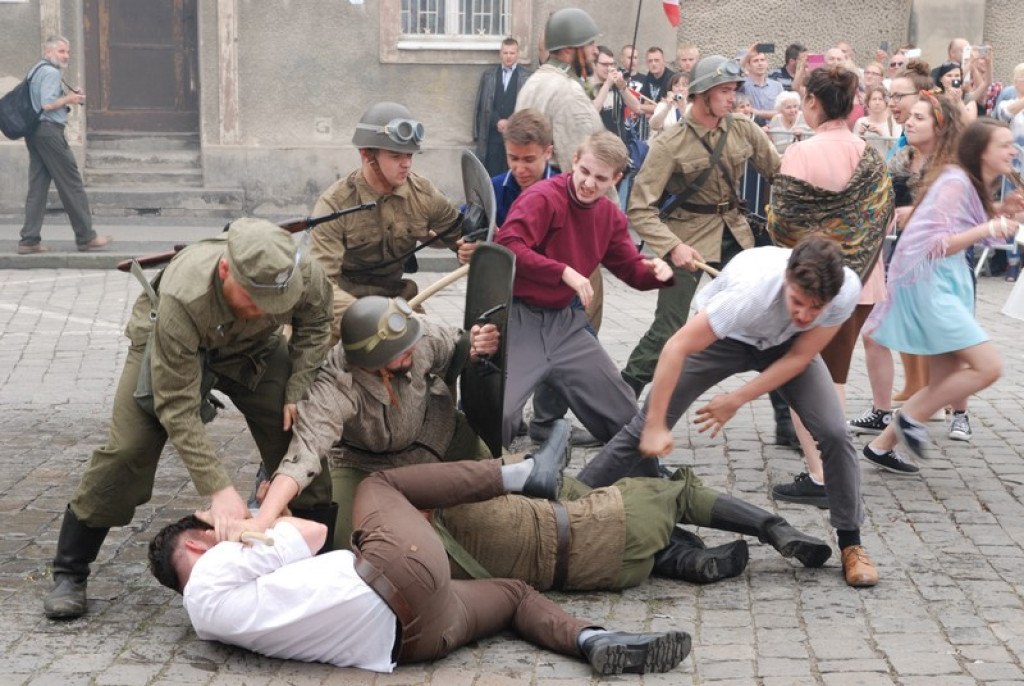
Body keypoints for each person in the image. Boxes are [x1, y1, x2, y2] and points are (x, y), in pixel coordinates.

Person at [149, 458, 692, 675]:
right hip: (391, 572)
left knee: (514, 594)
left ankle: (594, 641)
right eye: (218, 520)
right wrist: (252, 524)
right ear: (197, 544)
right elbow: (312, 534)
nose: (237, 518)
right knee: (378, 484)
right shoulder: (216, 565)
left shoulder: (210, 620)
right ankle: (524, 474)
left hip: (414, 642)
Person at [42, 219, 335, 620]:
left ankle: (321, 556)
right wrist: (218, 488)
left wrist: (298, 386)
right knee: (130, 447)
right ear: (225, 270)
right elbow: (176, 403)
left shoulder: (301, 272)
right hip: (169, 343)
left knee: (298, 432)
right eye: (252, 298)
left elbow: (317, 321)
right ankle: (70, 570)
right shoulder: (186, 293)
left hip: (254, 350)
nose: (262, 310)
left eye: (273, 302)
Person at [577, 237, 880, 588]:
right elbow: (675, 348)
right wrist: (658, 425)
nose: (805, 315)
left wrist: (736, 398)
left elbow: (798, 358)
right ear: (786, 279)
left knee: (835, 432)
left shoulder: (844, 290)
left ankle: (851, 543)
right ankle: (567, 502)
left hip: (786, 348)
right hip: (727, 338)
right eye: (798, 301)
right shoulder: (749, 295)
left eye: (817, 309)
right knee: (642, 428)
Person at [251, 294, 503, 549]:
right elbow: (305, 451)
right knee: (348, 544)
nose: (413, 349)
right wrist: (263, 518)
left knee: (496, 493)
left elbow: (456, 345)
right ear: (373, 360)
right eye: (402, 350)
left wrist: (477, 343)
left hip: (438, 436)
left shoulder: (415, 336)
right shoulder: (335, 386)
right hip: (365, 463)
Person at [620, 55, 783, 440]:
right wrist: (672, 246)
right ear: (701, 94)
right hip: (687, 240)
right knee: (670, 328)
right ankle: (620, 401)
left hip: (737, 237)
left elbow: (781, 173)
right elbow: (640, 208)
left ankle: (789, 419)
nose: (733, 99)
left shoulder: (743, 129)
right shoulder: (670, 142)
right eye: (725, 92)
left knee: (769, 324)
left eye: (734, 91)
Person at [495, 130, 674, 448]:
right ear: (574, 161)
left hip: (566, 325)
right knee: (497, 420)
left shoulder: (609, 216)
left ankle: (639, 478)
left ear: (616, 179)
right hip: (521, 317)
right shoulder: (543, 197)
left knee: (627, 421)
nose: (590, 183)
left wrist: (657, 272)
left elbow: (629, 267)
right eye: (585, 172)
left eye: (601, 178)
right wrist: (562, 271)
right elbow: (507, 245)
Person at [765, 66, 894, 504]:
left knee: (804, 373)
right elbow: (883, 217)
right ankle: (835, 472)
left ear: (813, 102)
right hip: (862, 279)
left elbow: (782, 221)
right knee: (836, 375)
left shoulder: (801, 152)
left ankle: (823, 475)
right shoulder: (871, 155)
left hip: (816, 282)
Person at [863, 119, 1023, 471]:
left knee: (944, 382)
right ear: (981, 151)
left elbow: (965, 229)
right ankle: (908, 420)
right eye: (1004, 144)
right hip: (931, 287)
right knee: (988, 366)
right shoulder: (955, 180)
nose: (1012, 150)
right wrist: (990, 225)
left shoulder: (972, 182)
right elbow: (936, 243)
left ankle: (881, 446)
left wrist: (1002, 213)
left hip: (949, 284)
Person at [435, 466, 833, 590]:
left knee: (583, 500)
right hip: (614, 527)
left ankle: (681, 558)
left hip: (604, 575)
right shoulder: (450, 488)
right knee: (673, 492)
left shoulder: (431, 563)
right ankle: (774, 528)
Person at [310, 101, 475, 343]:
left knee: (440, 355)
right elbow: (321, 288)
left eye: (409, 155)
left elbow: (462, 235)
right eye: (396, 156)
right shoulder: (335, 205)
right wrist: (371, 321)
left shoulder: (423, 195)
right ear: (367, 155)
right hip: (345, 308)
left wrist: (472, 247)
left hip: (400, 303)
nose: (406, 163)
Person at [515, 7, 608, 331]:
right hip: (569, 227)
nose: (595, 50)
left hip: (538, 217)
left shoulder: (534, 82)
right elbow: (587, 170)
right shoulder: (568, 92)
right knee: (583, 319)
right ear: (570, 50)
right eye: (589, 44)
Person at [18, 35, 112, 255]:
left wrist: (67, 96)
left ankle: (29, 240)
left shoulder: (37, 69)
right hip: (50, 132)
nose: (66, 56)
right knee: (72, 184)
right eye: (61, 51)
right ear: (48, 51)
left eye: (67, 52)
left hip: (35, 132)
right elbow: (47, 104)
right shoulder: (51, 72)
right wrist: (70, 99)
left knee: (38, 188)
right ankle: (86, 237)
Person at [473, 37, 531, 176]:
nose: (508, 56)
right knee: (492, 176)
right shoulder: (489, 76)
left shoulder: (526, 78)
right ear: (500, 53)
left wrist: (510, 122)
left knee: (512, 175)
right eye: (505, 53)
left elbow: (527, 106)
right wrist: (497, 121)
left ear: (517, 54)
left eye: (512, 53)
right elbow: (482, 105)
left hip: (515, 137)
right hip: (492, 137)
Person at [741, 45, 785, 125]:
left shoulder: (777, 86)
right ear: (748, 65)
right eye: (756, 61)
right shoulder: (743, 85)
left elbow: (783, 113)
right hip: (751, 131)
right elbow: (735, 73)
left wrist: (757, 112)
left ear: (767, 63)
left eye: (762, 60)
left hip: (774, 131)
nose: (760, 63)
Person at [854, 85, 902, 157]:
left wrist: (882, 134)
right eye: (874, 99)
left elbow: (899, 149)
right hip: (866, 166)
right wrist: (861, 135)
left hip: (887, 166)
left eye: (880, 99)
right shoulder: (860, 122)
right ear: (868, 102)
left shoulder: (893, 122)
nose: (877, 102)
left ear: (886, 102)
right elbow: (854, 149)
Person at [649, 71, 689, 138]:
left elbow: (685, 129)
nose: (681, 89)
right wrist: (667, 107)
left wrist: (683, 111)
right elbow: (654, 125)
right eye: (677, 86)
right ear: (671, 88)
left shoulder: (694, 107)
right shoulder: (662, 106)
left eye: (684, 86)